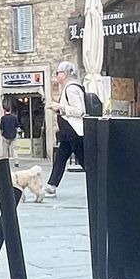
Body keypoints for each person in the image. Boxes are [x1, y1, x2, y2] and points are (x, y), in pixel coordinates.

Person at [44, 62, 88, 196]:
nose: (56, 75)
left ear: (65, 74)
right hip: (67, 132)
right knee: (61, 158)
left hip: (74, 131)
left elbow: (80, 111)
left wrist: (60, 107)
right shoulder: (68, 88)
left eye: (58, 73)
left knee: (84, 160)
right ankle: (51, 185)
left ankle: (100, 181)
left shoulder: (71, 89)